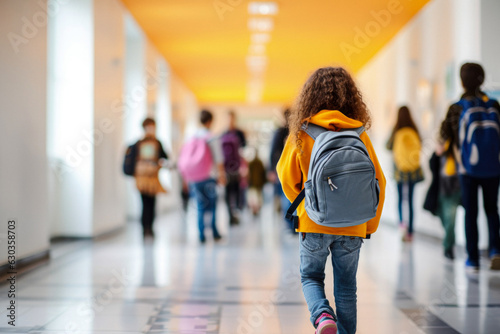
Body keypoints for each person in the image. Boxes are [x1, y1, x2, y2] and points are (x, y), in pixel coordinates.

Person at [277, 67, 386, 334]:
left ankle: (323, 316)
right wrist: (369, 225)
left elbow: (285, 176)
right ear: (352, 97)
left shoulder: (302, 132)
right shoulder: (359, 133)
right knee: (347, 286)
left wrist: (308, 205)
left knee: (311, 276)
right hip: (353, 226)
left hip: (314, 222)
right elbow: (379, 182)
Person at [450, 63, 500, 270]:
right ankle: (495, 250)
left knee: (471, 212)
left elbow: (446, 140)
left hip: (467, 169)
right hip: (493, 167)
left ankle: (472, 259)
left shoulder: (457, 107)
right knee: (491, 210)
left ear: (462, 81)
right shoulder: (494, 105)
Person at [181, 110, 226, 243]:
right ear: (210, 121)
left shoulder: (192, 137)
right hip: (209, 177)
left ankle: (201, 235)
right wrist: (221, 175)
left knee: (200, 205)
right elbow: (218, 159)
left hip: (194, 178)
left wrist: (185, 178)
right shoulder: (211, 137)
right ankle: (214, 232)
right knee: (212, 206)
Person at [423, 107, 462, 260]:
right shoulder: (443, 142)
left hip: (455, 186)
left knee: (450, 219)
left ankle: (448, 246)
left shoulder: (459, 142)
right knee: (445, 217)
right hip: (442, 187)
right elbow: (433, 166)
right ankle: (449, 242)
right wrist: (437, 153)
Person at [386, 106, 424, 242]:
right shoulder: (414, 129)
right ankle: (411, 232)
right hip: (413, 171)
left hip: (399, 171)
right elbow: (420, 143)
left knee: (401, 200)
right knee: (411, 201)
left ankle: (402, 227)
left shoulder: (396, 130)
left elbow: (388, 146)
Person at [133, 118, 168, 238]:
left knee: (152, 205)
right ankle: (144, 228)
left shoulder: (157, 143)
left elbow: (165, 156)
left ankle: (150, 228)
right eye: (149, 127)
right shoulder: (138, 144)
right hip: (142, 179)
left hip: (153, 179)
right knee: (144, 204)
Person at [269, 108, 295, 233]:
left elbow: (273, 152)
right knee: (291, 198)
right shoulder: (295, 131)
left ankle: (289, 224)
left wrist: (272, 170)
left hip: (283, 170)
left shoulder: (280, 132)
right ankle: (291, 224)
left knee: (286, 196)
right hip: (293, 169)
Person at [221, 110, 247, 225]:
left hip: (237, 168)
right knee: (227, 193)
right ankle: (230, 215)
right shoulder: (223, 134)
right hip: (227, 168)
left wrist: (244, 167)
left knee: (237, 191)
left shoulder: (240, 134)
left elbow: (245, 151)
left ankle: (236, 213)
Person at [247, 148, 267, 216]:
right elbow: (263, 173)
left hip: (254, 183)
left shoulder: (251, 162)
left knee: (255, 197)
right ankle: (257, 208)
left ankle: (256, 208)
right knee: (257, 197)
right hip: (257, 183)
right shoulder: (259, 162)